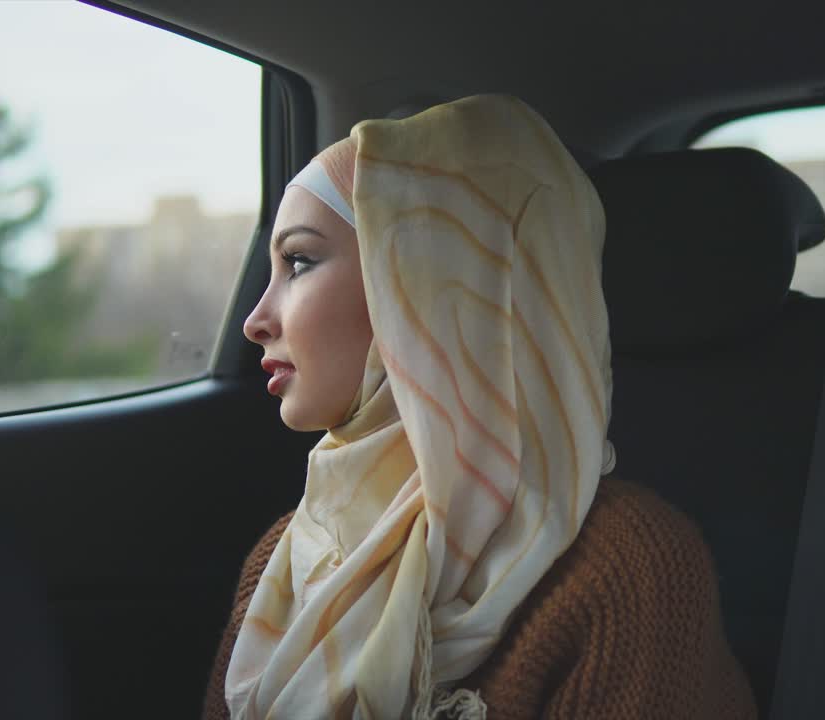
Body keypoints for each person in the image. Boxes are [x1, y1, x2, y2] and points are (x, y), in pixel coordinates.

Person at [203, 95, 755, 720]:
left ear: (428, 286)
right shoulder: (285, 559)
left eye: (298, 261)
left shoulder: (627, 571)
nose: (255, 320)